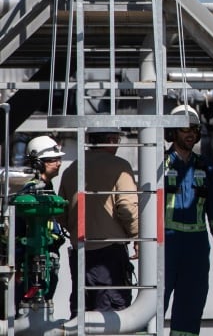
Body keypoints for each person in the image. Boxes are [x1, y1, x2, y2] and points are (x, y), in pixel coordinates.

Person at [163, 104, 213, 336]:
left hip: (196, 246)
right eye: (184, 129)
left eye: (194, 129)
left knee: (190, 308)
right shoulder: (159, 164)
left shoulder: (205, 167)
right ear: (172, 133)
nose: (190, 134)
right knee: (153, 306)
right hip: (166, 245)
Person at [58, 127, 139, 317]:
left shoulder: (72, 169)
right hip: (110, 254)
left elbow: (61, 211)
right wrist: (137, 237)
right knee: (111, 317)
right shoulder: (120, 167)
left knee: (82, 314)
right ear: (110, 140)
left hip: (80, 252)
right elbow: (127, 208)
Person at [11, 135, 68, 307]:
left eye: (59, 159)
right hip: (29, 258)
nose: (58, 163)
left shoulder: (46, 186)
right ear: (38, 163)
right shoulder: (30, 189)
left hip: (43, 254)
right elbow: (20, 224)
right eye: (53, 160)